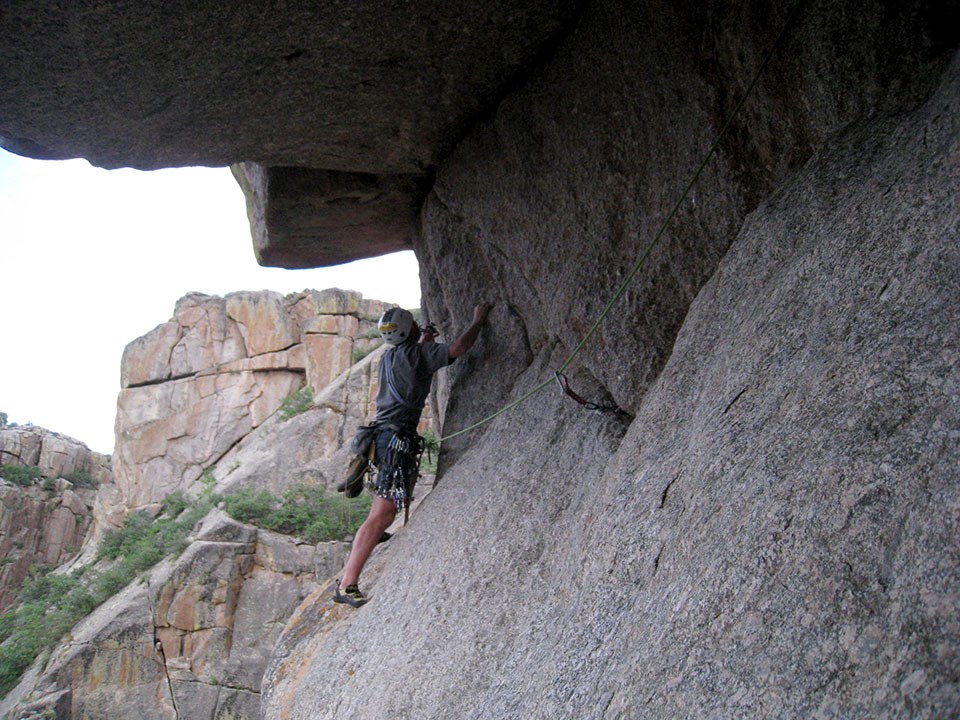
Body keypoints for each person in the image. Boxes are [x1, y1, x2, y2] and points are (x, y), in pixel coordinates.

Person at [334, 302, 493, 607]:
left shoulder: (390, 356)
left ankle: (373, 534)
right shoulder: (419, 354)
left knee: (386, 509)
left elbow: (415, 362)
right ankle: (347, 582)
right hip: (395, 441)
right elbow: (458, 347)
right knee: (382, 514)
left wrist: (424, 341)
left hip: (382, 438)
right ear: (409, 330)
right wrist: (478, 320)